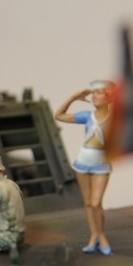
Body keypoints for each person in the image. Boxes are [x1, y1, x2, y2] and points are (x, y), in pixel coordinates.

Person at [54, 80, 115, 255]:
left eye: (99, 93)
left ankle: (101, 235)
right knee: (88, 203)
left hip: (101, 163)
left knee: (96, 203)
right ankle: (94, 236)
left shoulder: (115, 120)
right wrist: (74, 97)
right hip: (83, 161)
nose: (94, 96)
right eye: (93, 93)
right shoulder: (87, 116)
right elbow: (59, 115)